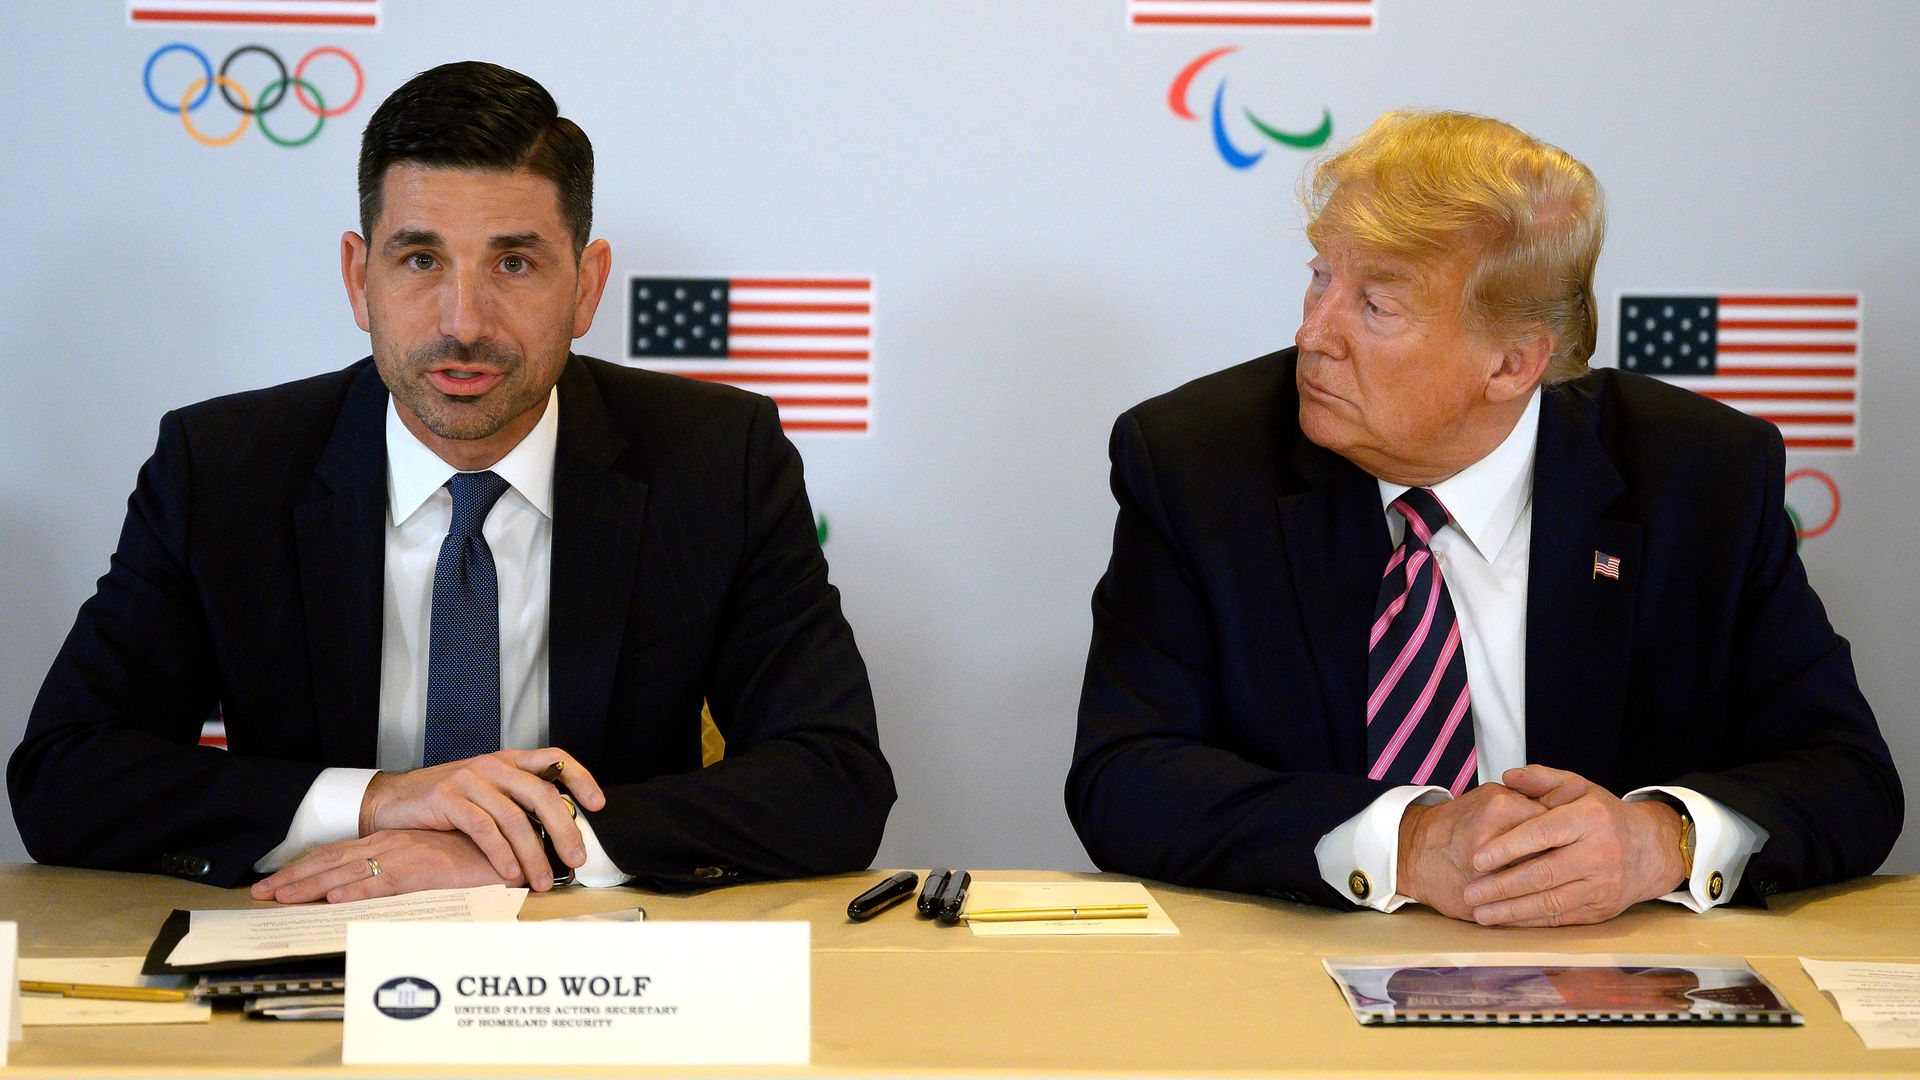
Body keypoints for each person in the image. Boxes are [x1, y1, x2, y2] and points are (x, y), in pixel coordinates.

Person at [8, 61, 894, 902]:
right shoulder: (224, 468)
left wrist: (514, 850)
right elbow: (65, 774)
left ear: (586, 287)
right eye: (420, 260)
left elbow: (835, 775)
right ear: (360, 279)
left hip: (606, 965)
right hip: (309, 958)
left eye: (514, 262)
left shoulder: (717, 459)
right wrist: (379, 802)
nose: (463, 323)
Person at [1065, 110, 1900, 925]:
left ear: (1511, 363)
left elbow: (1847, 776)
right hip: (1299, 1002)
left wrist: (1660, 841)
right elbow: (1125, 776)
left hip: (1609, 1001)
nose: (1311, 332)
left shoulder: (1699, 477)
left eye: (1375, 307)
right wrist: (1408, 844)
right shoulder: (1197, 463)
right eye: (1322, 275)